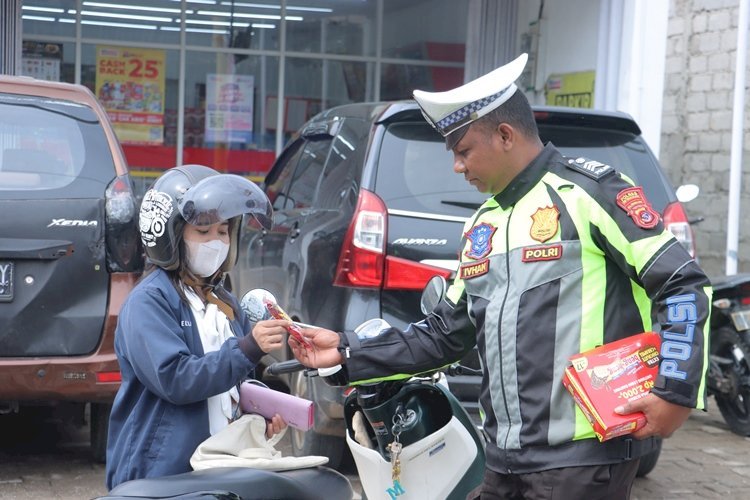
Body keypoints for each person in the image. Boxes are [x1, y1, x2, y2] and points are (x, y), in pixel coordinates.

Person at [290, 53, 712, 499]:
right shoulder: (482, 226)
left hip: (584, 458)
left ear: (505, 135)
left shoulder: (590, 194)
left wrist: (676, 390)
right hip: (504, 459)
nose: (457, 165)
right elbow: (443, 335)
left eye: (464, 150)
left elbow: (681, 284)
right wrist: (344, 350)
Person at [106, 165, 292, 489]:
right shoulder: (148, 303)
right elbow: (176, 378)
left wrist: (261, 410)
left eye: (223, 231)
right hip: (161, 476)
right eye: (203, 232)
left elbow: (233, 381)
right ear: (172, 237)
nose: (216, 242)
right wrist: (248, 347)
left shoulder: (224, 302)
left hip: (217, 466)